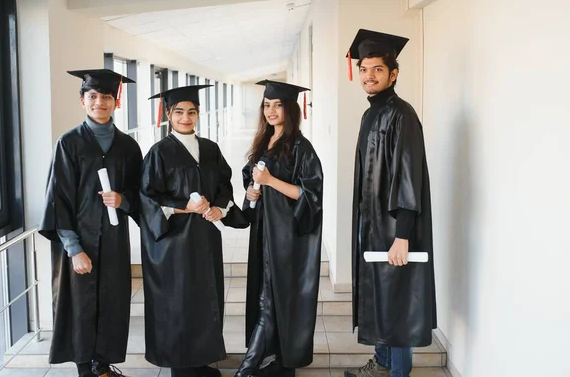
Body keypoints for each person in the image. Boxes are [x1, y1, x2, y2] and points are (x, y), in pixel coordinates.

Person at [344, 29, 437, 377]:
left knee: (397, 305)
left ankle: (397, 373)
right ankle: (381, 365)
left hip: (395, 229)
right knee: (382, 299)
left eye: (377, 69)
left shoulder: (402, 115)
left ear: (393, 74)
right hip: (372, 226)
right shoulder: (372, 114)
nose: (369, 75)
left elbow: (409, 177)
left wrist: (403, 234)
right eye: (364, 68)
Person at [39, 69, 142, 377]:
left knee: (111, 300)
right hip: (79, 240)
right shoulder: (68, 143)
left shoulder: (128, 147)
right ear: (83, 100)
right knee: (81, 305)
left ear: (116, 102)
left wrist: (123, 200)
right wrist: (73, 248)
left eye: (107, 97)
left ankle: (102, 365)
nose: (100, 102)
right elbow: (58, 199)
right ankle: (86, 369)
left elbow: (142, 194)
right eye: (93, 96)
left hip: (113, 239)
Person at [139, 85, 248, 377]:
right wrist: (183, 207)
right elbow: (148, 197)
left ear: (198, 114)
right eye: (179, 112)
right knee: (179, 301)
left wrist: (220, 209)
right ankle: (182, 367)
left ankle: (202, 361)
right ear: (168, 115)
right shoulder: (159, 152)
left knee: (206, 298)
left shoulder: (210, 148)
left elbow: (224, 184)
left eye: (191, 112)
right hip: (174, 241)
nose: (185, 118)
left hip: (205, 236)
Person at [235, 80, 323, 377]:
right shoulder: (263, 142)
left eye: (278, 105)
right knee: (264, 295)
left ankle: (246, 369)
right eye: (266, 105)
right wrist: (252, 192)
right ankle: (273, 358)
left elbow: (310, 195)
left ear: (290, 108)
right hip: (263, 233)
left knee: (269, 301)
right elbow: (253, 182)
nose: (271, 110)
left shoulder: (301, 147)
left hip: (286, 236)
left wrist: (271, 182)